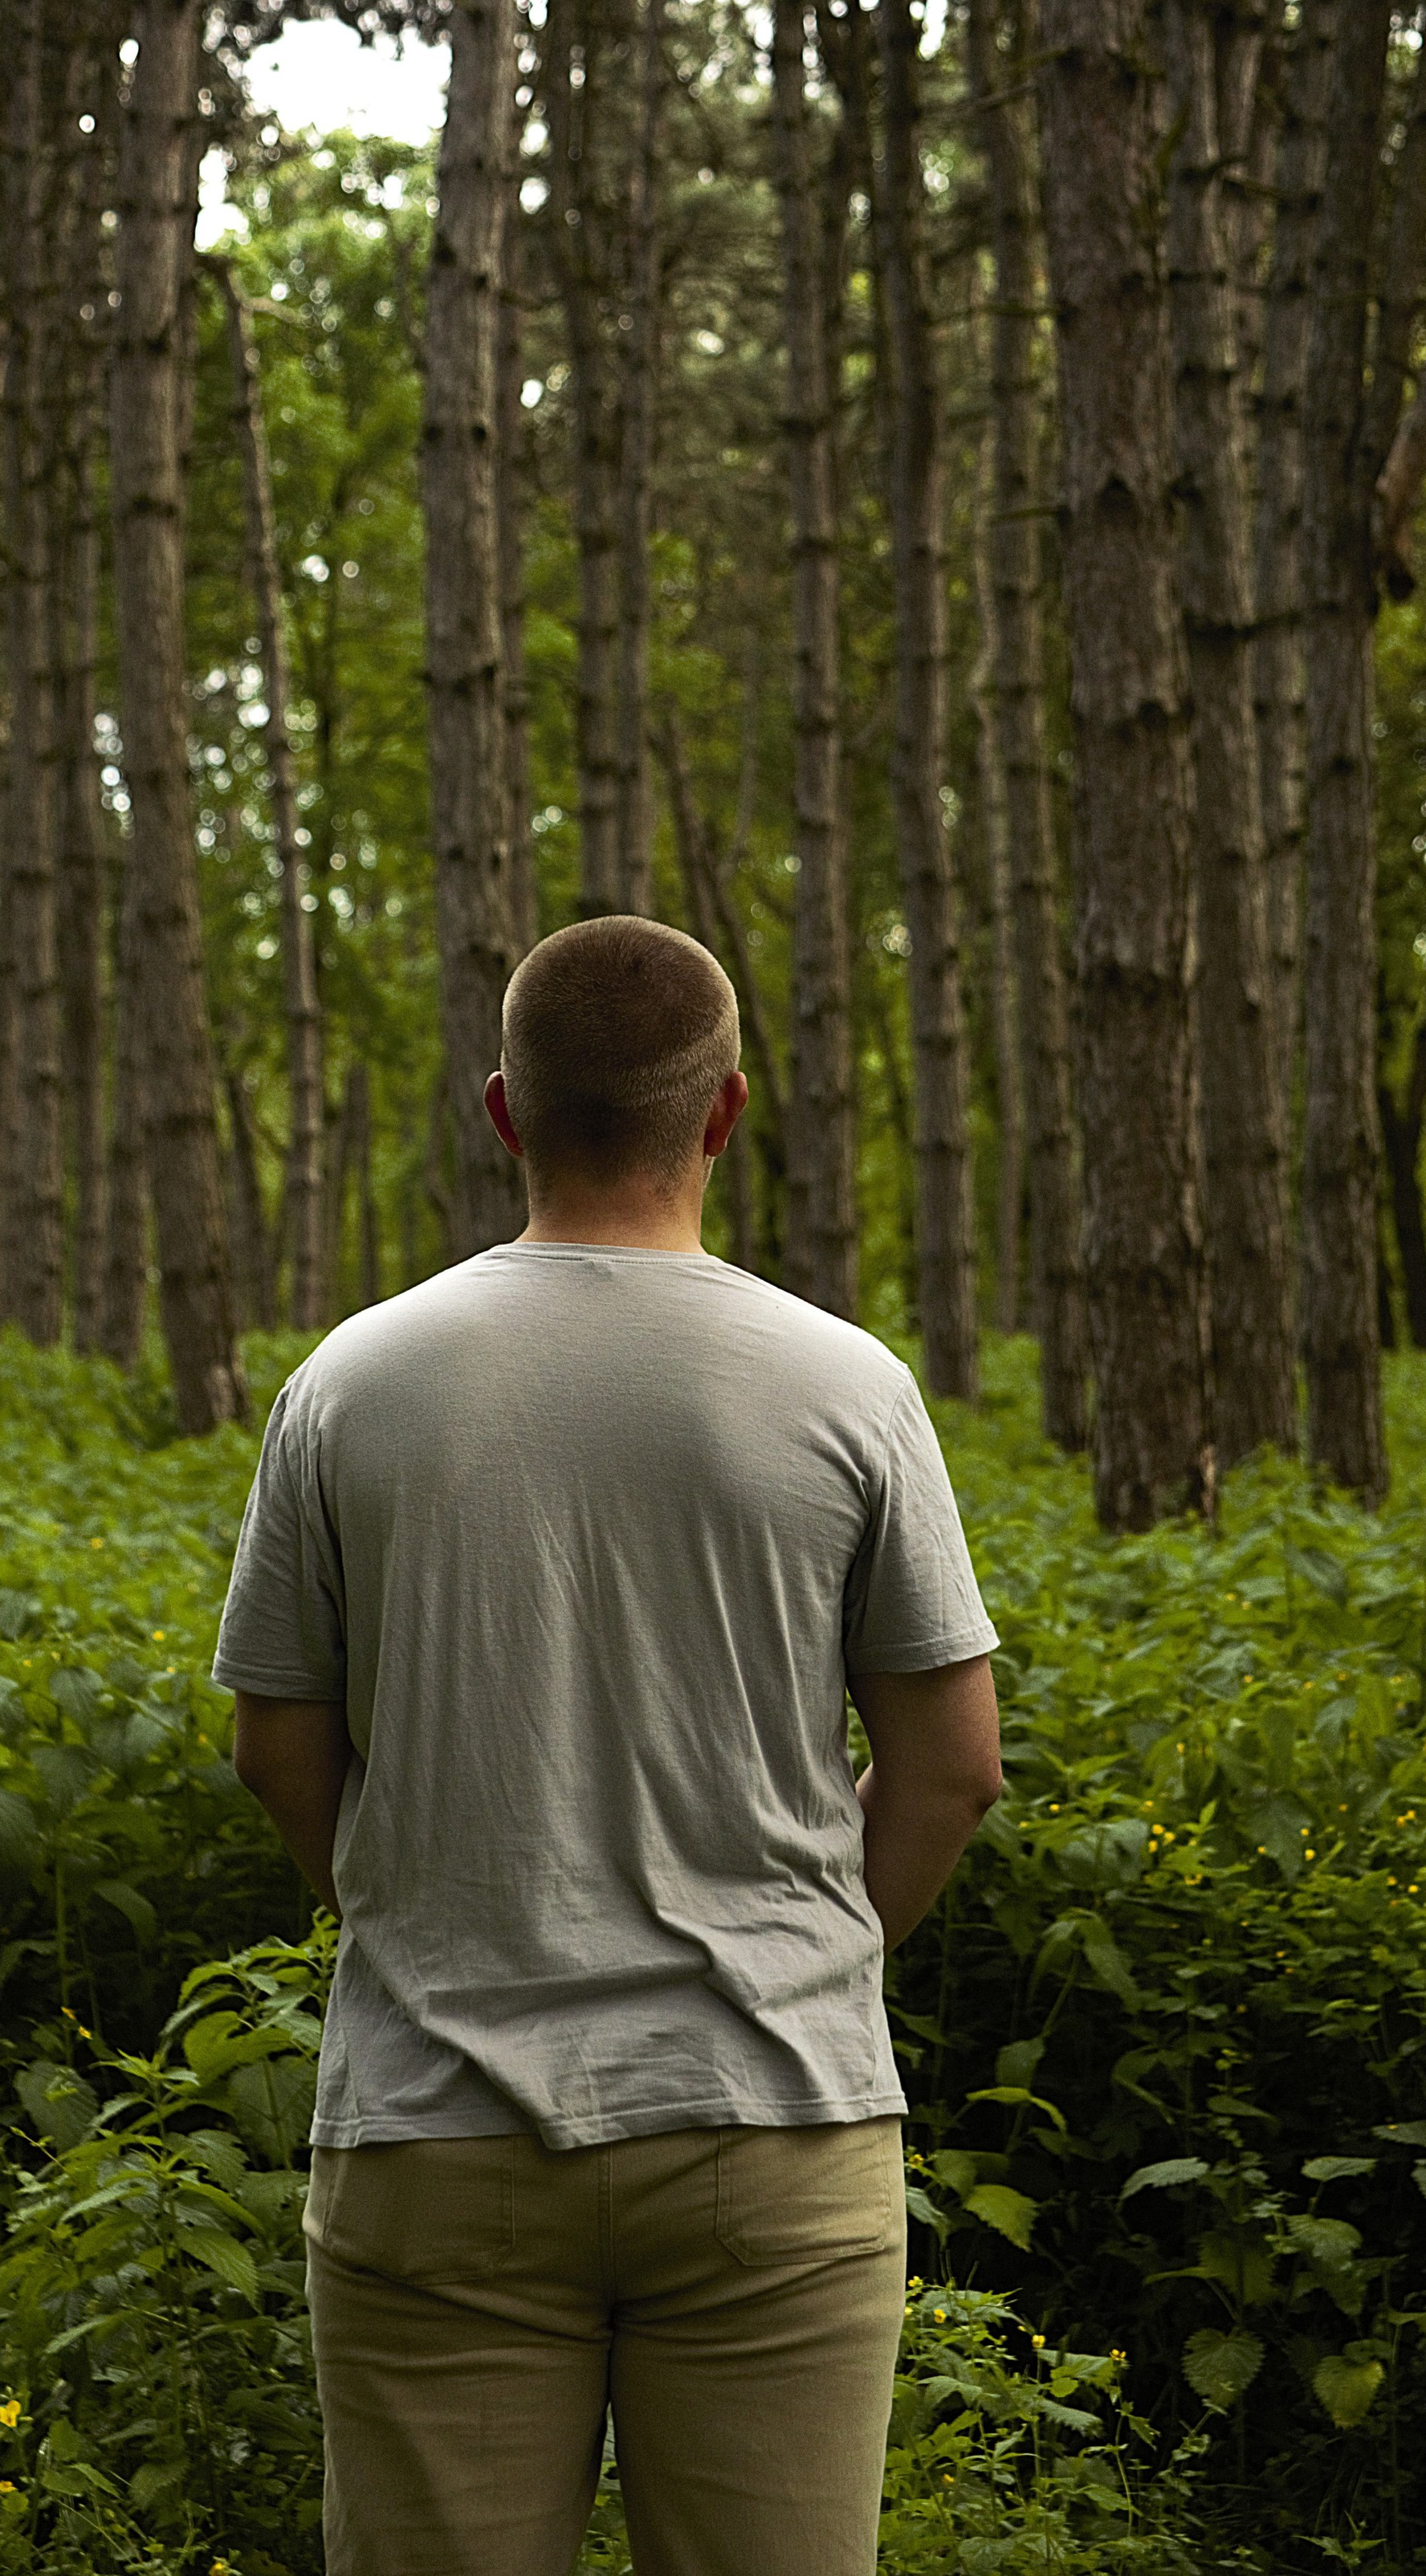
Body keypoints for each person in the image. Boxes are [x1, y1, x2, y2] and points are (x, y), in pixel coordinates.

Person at [214, 915, 1002, 2576]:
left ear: (499, 1110)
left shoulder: (348, 1387)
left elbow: (277, 1748)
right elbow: (951, 1765)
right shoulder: (846, 1388)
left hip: (433, 2129)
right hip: (773, 2127)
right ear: (723, 1113)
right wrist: (801, 1960)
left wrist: (416, 1917)